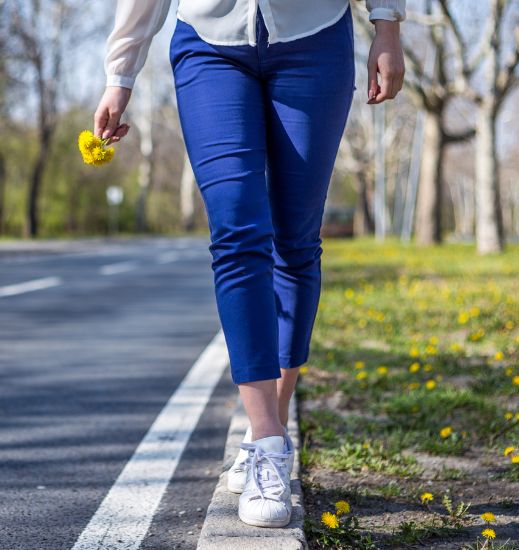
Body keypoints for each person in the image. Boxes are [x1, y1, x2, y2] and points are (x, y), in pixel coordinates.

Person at [94, 0, 405, 529]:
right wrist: (120, 72)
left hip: (315, 36)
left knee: (296, 241)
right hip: (209, 46)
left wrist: (388, 24)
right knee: (238, 231)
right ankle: (265, 442)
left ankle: (274, 421)